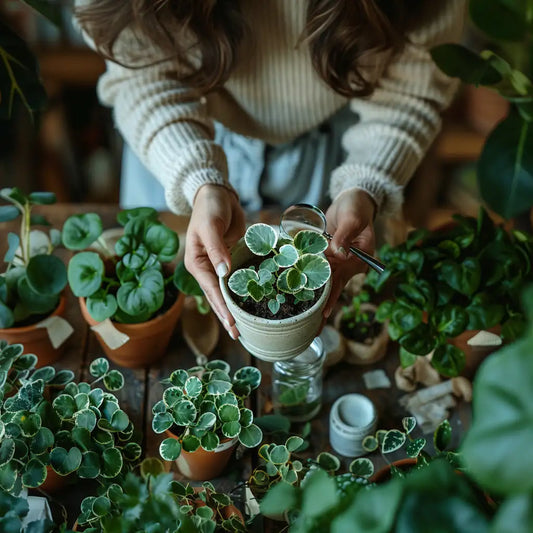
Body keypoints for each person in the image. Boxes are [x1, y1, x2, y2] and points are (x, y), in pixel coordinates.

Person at [74, 0, 465, 340]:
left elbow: (413, 85)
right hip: (176, 140)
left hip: (334, 139)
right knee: (177, 290)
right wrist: (199, 182)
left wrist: (363, 186)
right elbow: (141, 75)